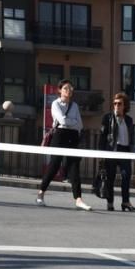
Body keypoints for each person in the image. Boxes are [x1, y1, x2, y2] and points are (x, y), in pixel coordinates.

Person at [37, 79, 91, 211]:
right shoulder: (55, 103)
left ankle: (78, 199)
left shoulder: (75, 106)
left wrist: (69, 121)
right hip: (59, 135)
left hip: (73, 136)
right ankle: (41, 194)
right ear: (60, 90)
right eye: (66, 88)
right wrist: (71, 121)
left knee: (74, 167)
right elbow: (61, 120)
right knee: (54, 165)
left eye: (71, 88)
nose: (69, 90)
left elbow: (80, 125)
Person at [99, 92, 135, 212]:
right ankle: (110, 203)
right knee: (110, 177)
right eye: (114, 103)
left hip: (125, 151)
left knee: (126, 176)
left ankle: (125, 202)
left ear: (124, 105)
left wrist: (134, 152)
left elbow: (132, 138)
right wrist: (101, 154)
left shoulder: (129, 120)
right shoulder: (108, 118)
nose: (116, 106)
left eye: (119, 104)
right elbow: (102, 137)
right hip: (112, 150)